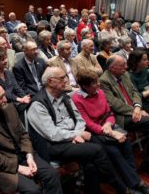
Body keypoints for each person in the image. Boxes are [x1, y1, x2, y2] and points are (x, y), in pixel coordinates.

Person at [27, 66, 138, 194]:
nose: (67, 80)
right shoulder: (38, 104)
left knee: (92, 161)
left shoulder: (64, 96)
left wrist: (77, 133)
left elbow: (79, 119)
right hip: (52, 145)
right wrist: (76, 134)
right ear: (51, 81)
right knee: (97, 149)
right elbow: (52, 134)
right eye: (62, 78)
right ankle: (121, 187)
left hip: (71, 137)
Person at [0, 82, 62, 194]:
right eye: (0, 98)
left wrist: (29, 156)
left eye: (4, 94)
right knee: (33, 190)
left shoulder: (9, 108)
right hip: (4, 166)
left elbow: (23, 134)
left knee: (52, 175)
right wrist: (19, 168)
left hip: (23, 155)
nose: (5, 99)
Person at [72, 68, 149, 194]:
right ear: (85, 86)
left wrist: (109, 125)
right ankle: (137, 182)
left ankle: (130, 179)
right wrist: (109, 131)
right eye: (94, 83)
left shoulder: (100, 92)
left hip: (107, 126)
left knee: (125, 143)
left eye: (97, 81)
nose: (98, 84)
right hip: (93, 132)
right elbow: (88, 123)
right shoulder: (76, 99)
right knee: (114, 151)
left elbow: (109, 112)